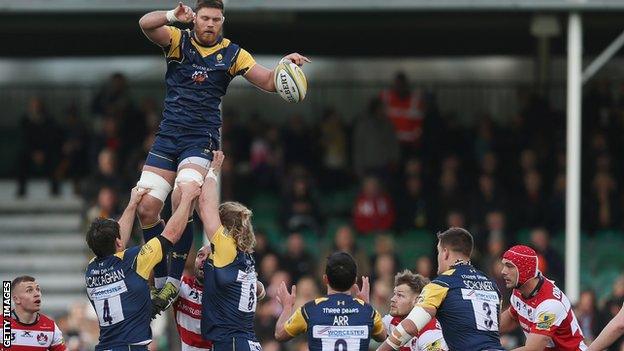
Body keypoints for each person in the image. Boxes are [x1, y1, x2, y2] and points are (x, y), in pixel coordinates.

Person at [136, 0, 310, 313]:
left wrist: (283, 67)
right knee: (147, 208)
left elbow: (269, 81)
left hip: (200, 141)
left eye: (216, 19)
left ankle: (173, 281)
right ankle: (161, 280)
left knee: (182, 197)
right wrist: (170, 16)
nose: (210, 24)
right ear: (195, 19)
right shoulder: (178, 40)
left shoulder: (233, 54)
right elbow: (145, 25)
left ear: (222, 21)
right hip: (167, 138)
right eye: (205, 18)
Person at [85, 181, 200, 351]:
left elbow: (117, 243)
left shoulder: (91, 269)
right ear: (118, 242)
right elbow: (172, 234)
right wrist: (187, 199)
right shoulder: (132, 260)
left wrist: (132, 205)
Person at [377, 227, 504, 351]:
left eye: (438, 252)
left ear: (445, 252)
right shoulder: (492, 285)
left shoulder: (440, 284)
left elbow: (409, 327)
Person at [197, 151, 263, 351]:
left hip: (232, 344)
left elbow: (205, 207)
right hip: (245, 341)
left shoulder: (227, 248)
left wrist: (213, 171)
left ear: (225, 227)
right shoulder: (243, 257)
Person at [274, 252, 387, 351]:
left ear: (325, 279)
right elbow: (382, 337)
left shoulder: (309, 310)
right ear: (354, 281)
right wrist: (365, 306)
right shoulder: (368, 312)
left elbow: (279, 334)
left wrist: (287, 307)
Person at [172, 244, 266, 351]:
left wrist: (246, 278)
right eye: (200, 255)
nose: (204, 260)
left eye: (210, 257)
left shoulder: (228, 287)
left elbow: (261, 291)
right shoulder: (182, 285)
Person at [499, 245, 587, 351]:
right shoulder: (519, 289)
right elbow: (511, 317)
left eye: (509, 266)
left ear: (525, 270)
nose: (503, 271)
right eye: (504, 265)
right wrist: (481, 330)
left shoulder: (550, 304)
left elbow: (533, 349)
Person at [382, 270, 447, 351]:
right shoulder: (393, 320)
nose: (392, 299)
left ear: (417, 301)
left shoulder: (430, 332)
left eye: (400, 295)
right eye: (394, 294)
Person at [0, 276, 66, 351]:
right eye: (29, 290)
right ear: (16, 299)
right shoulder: (1, 324)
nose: (37, 294)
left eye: (38, 289)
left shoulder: (50, 327)